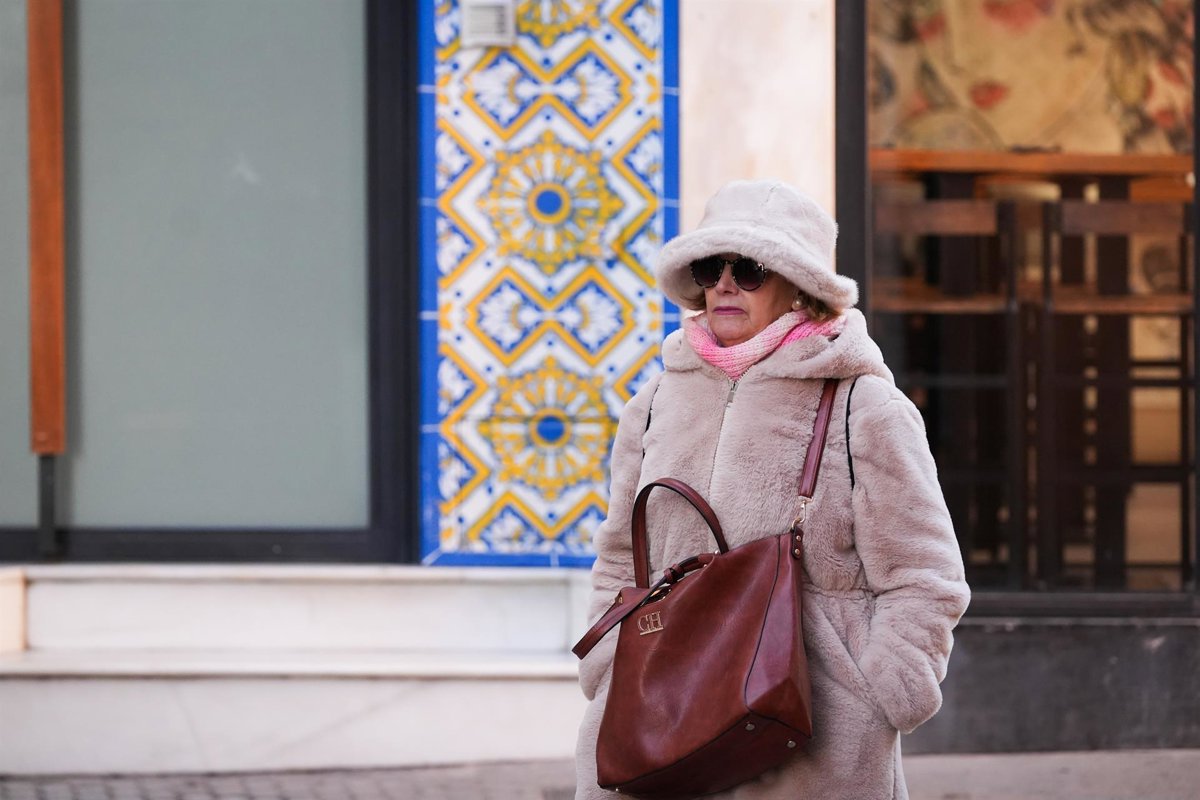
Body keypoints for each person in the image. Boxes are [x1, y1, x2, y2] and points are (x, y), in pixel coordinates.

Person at [574, 179, 971, 799]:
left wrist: (883, 694)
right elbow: (621, 554)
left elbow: (924, 575)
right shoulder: (653, 404)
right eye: (711, 268)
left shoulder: (864, 407)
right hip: (656, 729)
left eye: (751, 269)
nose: (725, 285)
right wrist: (607, 668)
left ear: (800, 287)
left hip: (815, 749)